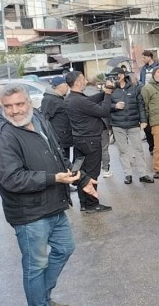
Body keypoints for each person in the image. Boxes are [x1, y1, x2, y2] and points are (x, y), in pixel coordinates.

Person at [0, 83, 97, 306]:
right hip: (28, 214)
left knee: (64, 248)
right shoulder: (1, 137)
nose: (15, 110)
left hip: (53, 203)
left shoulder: (37, 117)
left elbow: (57, 155)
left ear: (30, 102)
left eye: (19, 104)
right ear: (1, 107)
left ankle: (42, 297)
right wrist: (53, 179)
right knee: (35, 266)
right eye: (8, 106)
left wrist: (81, 179)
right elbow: (11, 179)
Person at [65, 71, 113, 213]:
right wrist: (108, 94)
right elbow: (104, 111)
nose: (86, 81)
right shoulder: (79, 100)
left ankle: (84, 203)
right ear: (77, 82)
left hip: (80, 140)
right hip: (90, 140)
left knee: (82, 172)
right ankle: (92, 204)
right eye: (83, 79)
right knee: (92, 173)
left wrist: (104, 93)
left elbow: (91, 101)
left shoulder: (71, 98)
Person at [108, 66, 155, 185]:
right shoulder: (110, 90)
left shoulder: (135, 88)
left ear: (123, 75)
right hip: (117, 124)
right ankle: (127, 174)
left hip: (133, 124)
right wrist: (114, 106)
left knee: (138, 149)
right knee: (123, 150)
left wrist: (143, 120)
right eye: (113, 76)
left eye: (117, 75)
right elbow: (104, 105)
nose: (115, 77)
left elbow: (140, 105)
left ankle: (143, 174)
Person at [82, 78, 113, 178]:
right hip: (102, 124)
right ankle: (106, 170)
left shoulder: (82, 96)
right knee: (104, 148)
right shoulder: (100, 94)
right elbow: (106, 108)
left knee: (91, 150)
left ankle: (88, 172)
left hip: (89, 128)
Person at [40, 76, 72, 160]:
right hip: (59, 138)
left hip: (64, 136)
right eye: (66, 85)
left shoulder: (59, 98)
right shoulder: (50, 99)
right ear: (60, 86)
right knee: (63, 161)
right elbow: (44, 119)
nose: (68, 88)